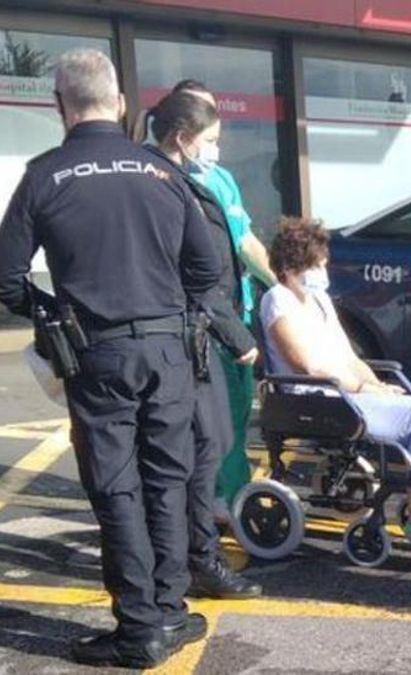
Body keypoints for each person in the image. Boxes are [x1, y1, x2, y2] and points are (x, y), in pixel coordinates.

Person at [0, 49, 218, 668]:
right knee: (167, 481)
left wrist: (51, 312)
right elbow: (205, 268)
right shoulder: (161, 172)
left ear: (59, 107)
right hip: (169, 350)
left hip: (96, 351)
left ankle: (141, 629)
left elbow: (6, 276)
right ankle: (170, 613)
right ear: (119, 104)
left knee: (117, 489)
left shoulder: (46, 175)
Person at [259, 218, 411, 547]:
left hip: (346, 394)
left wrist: (377, 385)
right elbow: (308, 365)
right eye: (318, 263)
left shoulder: (319, 301)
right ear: (293, 265)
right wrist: (364, 389)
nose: (324, 270)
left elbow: (350, 358)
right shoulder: (277, 300)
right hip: (319, 399)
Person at [143, 90, 263, 599]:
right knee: (194, 449)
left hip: (196, 328)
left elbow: (236, 247)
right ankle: (192, 561)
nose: (216, 149)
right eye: (210, 139)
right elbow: (198, 274)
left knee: (206, 442)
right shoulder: (163, 184)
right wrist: (234, 333)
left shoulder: (207, 181)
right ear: (182, 136)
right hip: (187, 335)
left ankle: (185, 561)